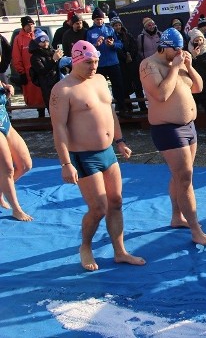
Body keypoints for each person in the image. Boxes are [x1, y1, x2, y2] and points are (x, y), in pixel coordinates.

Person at [49, 40, 146, 271]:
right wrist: (65, 163)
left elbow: (109, 111)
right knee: (99, 207)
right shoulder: (63, 90)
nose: (94, 66)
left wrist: (120, 141)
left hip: (108, 152)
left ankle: (120, 251)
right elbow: (59, 128)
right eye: (89, 63)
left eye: (96, 62)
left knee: (116, 202)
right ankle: (85, 246)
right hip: (84, 156)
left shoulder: (101, 79)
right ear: (76, 61)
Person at [139, 27, 206, 246]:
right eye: (177, 48)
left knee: (179, 177)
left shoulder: (179, 63)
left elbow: (198, 87)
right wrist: (174, 68)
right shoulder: (149, 65)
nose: (181, 52)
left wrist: (189, 67)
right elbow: (161, 95)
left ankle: (177, 217)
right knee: (185, 179)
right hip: (168, 129)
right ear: (165, 48)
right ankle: (196, 229)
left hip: (189, 127)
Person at [0, 80, 33, 221]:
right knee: (7, 169)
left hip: (4, 121)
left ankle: (1, 190)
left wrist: (6, 90)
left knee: (25, 165)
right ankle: (16, 209)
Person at [86, 8, 128, 117]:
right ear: (93, 20)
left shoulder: (110, 29)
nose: (99, 21)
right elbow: (86, 49)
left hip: (113, 63)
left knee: (118, 86)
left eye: (100, 19)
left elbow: (120, 44)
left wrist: (112, 45)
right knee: (100, 89)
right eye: (96, 19)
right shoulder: (90, 32)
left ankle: (122, 110)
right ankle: (103, 112)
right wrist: (95, 45)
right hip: (99, 65)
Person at [12, 15, 45, 117]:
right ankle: (40, 114)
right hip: (28, 73)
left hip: (41, 70)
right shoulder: (18, 39)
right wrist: (21, 72)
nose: (30, 27)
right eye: (28, 25)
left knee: (44, 94)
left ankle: (45, 115)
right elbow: (16, 57)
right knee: (32, 97)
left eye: (32, 24)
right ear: (23, 26)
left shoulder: (38, 35)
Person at [111, 16, 146, 112]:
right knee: (124, 87)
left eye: (119, 25)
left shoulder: (127, 35)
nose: (118, 27)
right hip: (121, 65)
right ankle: (128, 107)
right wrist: (124, 57)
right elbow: (115, 50)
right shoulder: (112, 37)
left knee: (137, 86)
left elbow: (134, 46)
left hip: (132, 64)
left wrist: (130, 55)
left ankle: (142, 106)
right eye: (115, 25)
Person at [29, 31, 67, 110]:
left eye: (46, 41)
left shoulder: (52, 52)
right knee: (53, 109)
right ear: (37, 43)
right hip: (47, 86)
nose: (45, 44)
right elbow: (42, 71)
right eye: (42, 42)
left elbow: (61, 68)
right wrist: (53, 60)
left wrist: (63, 62)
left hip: (59, 82)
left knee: (64, 108)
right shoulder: (35, 57)